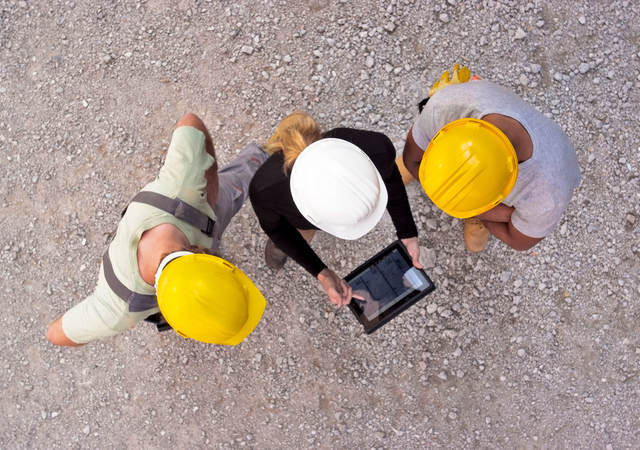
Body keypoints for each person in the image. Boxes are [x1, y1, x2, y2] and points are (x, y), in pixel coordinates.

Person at [46, 113, 267, 347]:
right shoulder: (117, 309)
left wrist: (209, 199)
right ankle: (265, 157)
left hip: (200, 210)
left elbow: (191, 123)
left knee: (234, 186)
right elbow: (55, 335)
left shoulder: (115, 312)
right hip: (199, 215)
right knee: (237, 186)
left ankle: (267, 156)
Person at [249, 111, 422, 307]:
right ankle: (283, 246)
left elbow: (389, 177)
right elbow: (277, 229)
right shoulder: (265, 189)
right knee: (289, 236)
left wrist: (407, 232)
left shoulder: (378, 150)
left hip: (299, 213)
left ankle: (291, 242)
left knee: (291, 233)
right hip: (295, 218)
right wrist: (319, 271)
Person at [402, 65, 581, 252]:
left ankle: (475, 219)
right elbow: (411, 160)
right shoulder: (444, 107)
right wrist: (505, 215)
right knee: (412, 162)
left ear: (502, 193)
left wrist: (480, 212)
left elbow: (518, 241)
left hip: (544, 172)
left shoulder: (549, 193)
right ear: (450, 132)